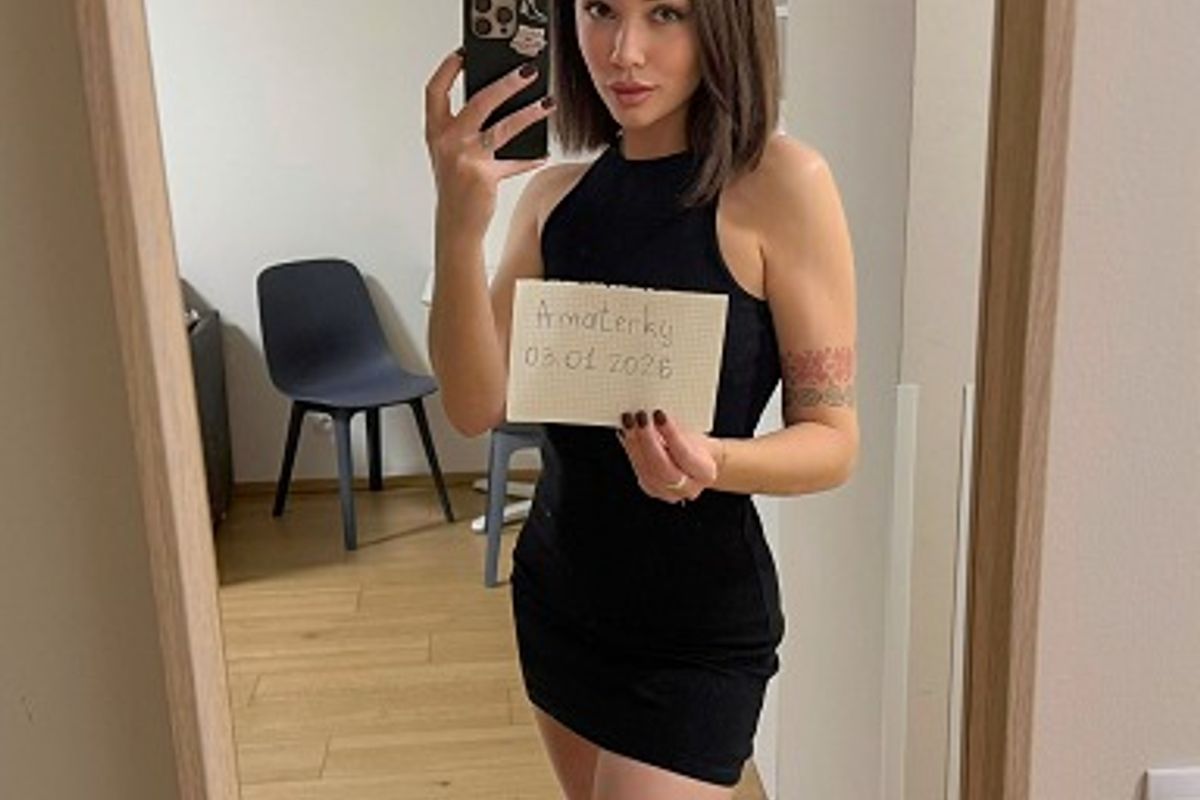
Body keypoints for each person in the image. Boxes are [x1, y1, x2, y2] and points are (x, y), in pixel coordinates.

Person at [424, 0, 858, 797]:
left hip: (695, 632)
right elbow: (472, 407)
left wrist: (713, 461)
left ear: (724, 25)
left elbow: (833, 439)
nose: (624, 51)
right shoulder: (553, 199)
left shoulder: (783, 185)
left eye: (666, 13)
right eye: (600, 10)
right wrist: (457, 228)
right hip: (558, 598)